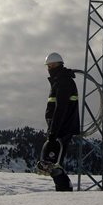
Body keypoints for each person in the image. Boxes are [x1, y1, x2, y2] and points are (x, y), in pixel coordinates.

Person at [42, 52, 79, 192]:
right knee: (52, 163)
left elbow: (61, 108)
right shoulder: (59, 82)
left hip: (61, 128)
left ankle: (65, 190)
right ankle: (63, 190)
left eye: (53, 66)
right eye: (48, 66)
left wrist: (53, 131)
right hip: (59, 128)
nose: (50, 68)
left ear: (60, 65)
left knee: (52, 164)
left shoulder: (64, 82)